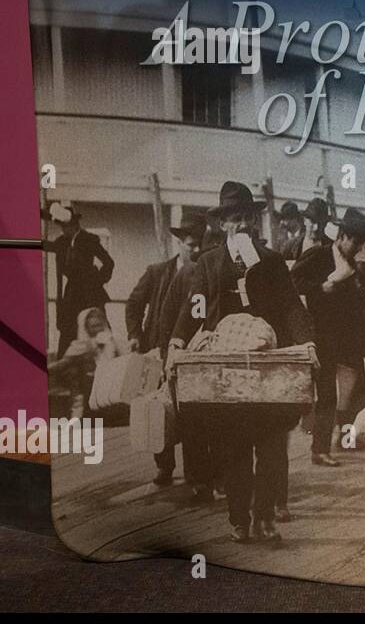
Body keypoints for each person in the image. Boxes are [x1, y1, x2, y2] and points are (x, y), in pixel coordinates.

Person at [168, 181, 315, 544]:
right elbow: (195, 306)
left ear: (254, 220)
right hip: (225, 369)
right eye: (233, 219)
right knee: (234, 450)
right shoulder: (209, 263)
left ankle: (265, 518)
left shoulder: (271, 261)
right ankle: (239, 520)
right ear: (222, 225)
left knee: (269, 447)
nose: (241, 225)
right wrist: (177, 341)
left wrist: (306, 341)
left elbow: (290, 305)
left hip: (267, 365)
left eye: (246, 217)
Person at [124, 211, 208, 487]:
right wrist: (135, 334)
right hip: (157, 350)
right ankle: (165, 466)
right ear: (180, 243)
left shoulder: (204, 272)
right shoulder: (158, 271)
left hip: (191, 354)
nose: (195, 250)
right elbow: (134, 304)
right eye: (190, 244)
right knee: (160, 408)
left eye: (199, 245)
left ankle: (196, 473)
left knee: (190, 412)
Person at [291, 208, 365, 466]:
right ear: (341, 236)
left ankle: (347, 439)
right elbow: (293, 282)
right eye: (355, 241)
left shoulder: (352, 266)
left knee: (354, 390)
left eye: (361, 242)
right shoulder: (318, 256)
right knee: (327, 393)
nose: (358, 247)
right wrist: (321, 288)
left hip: (347, 336)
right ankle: (319, 449)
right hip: (322, 334)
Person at [42, 202, 115, 359]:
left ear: (74, 225)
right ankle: (63, 369)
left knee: (98, 331)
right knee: (67, 333)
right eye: (61, 227)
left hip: (90, 294)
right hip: (71, 295)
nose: (63, 230)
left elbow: (108, 262)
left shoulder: (89, 239)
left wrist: (97, 281)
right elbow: (45, 245)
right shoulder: (61, 242)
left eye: (65, 227)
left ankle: (105, 366)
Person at [46, 307, 122, 419]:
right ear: (86, 327)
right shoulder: (80, 345)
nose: (98, 330)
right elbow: (63, 363)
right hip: (89, 388)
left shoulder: (112, 341)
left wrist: (110, 346)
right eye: (93, 326)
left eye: (100, 325)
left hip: (110, 385)